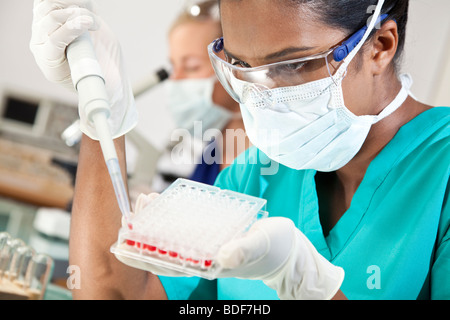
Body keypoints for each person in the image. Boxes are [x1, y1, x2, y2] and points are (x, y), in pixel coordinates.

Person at [30, 0, 449, 300]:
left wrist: (314, 289)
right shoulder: (254, 173)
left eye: (290, 65)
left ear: (380, 46)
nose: (262, 98)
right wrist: (105, 112)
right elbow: (114, 294)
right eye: (242, 67)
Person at [152, 0, 249, 191]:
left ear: (238, 67)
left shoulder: (279, 154)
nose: (175, 79)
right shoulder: (184, 147)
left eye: (191, 67)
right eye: (173, 66)